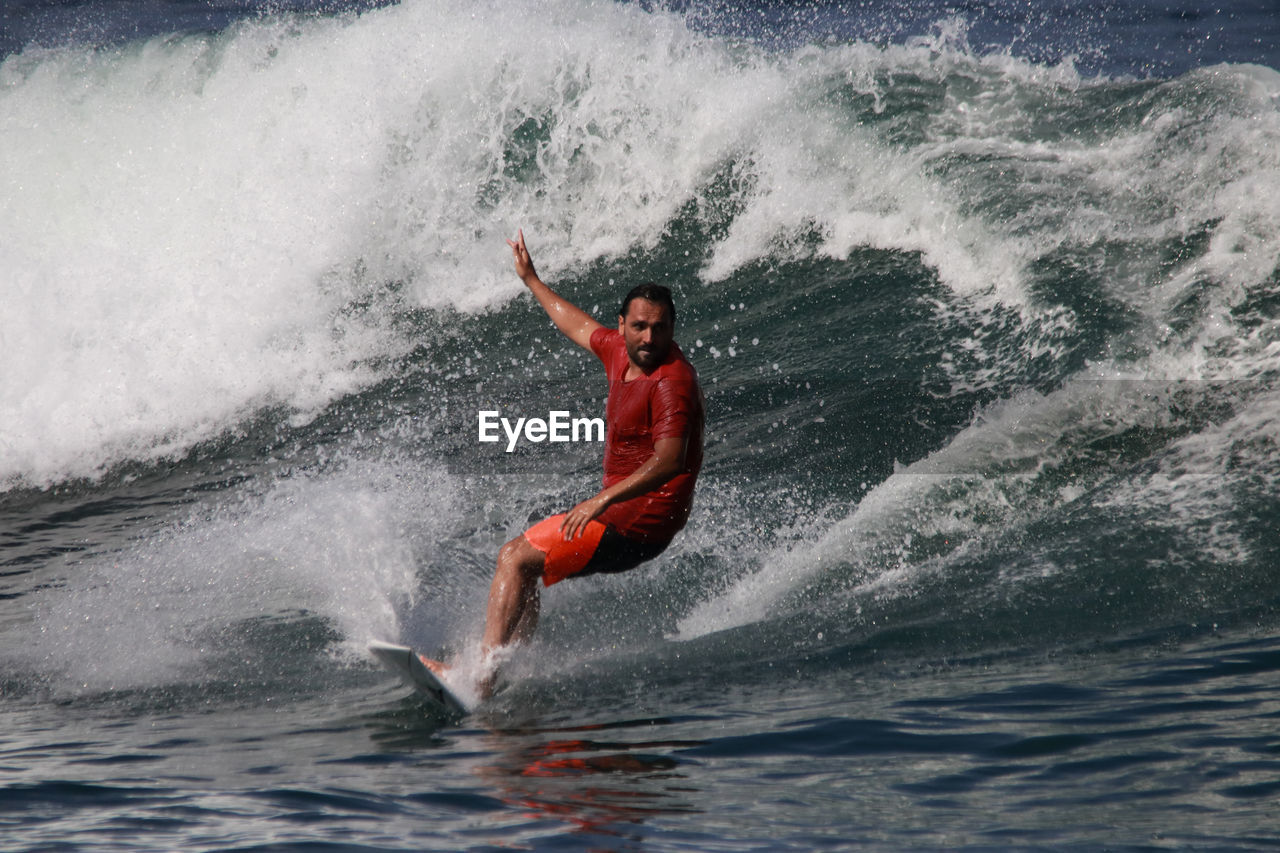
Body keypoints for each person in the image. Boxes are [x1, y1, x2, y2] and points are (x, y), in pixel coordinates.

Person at [428, 230, 704, 695]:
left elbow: (669, 460)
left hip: (640, 522)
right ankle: (508, 669)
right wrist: (531, 280)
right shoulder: (619, 351)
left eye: (660, 328)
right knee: (529, 566)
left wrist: (600, 501)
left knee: (513, 559)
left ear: (672, 328)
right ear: (622, 325)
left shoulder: (670, 382)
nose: (649, 337)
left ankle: (479, 681)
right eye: (639, 326)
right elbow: (576, 324)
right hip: (622, 513)